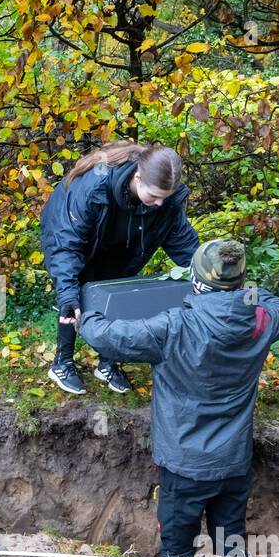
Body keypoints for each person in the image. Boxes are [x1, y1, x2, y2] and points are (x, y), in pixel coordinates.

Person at [80, 239, 279, 557]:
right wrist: (241, 292)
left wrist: (85, 317)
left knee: (177, 553)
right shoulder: (262, 321)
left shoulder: (173, 327)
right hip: (233, 462)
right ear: (239, 281)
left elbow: (107, 337)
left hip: (184, 467)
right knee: (231, 549)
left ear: (195, 280)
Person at [40, 141, 200, 395]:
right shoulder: (94, 187)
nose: (159, 203)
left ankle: (107, 362)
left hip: (121, 242)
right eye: (154, 196)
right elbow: (66, 245)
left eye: (164, 197)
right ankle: (62, 362)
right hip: (71, 236)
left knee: (118, 293)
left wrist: (210, 277)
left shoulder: (164, 203)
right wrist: (67, 295)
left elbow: (183, 242)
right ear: (137, 178)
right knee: (74, 295)